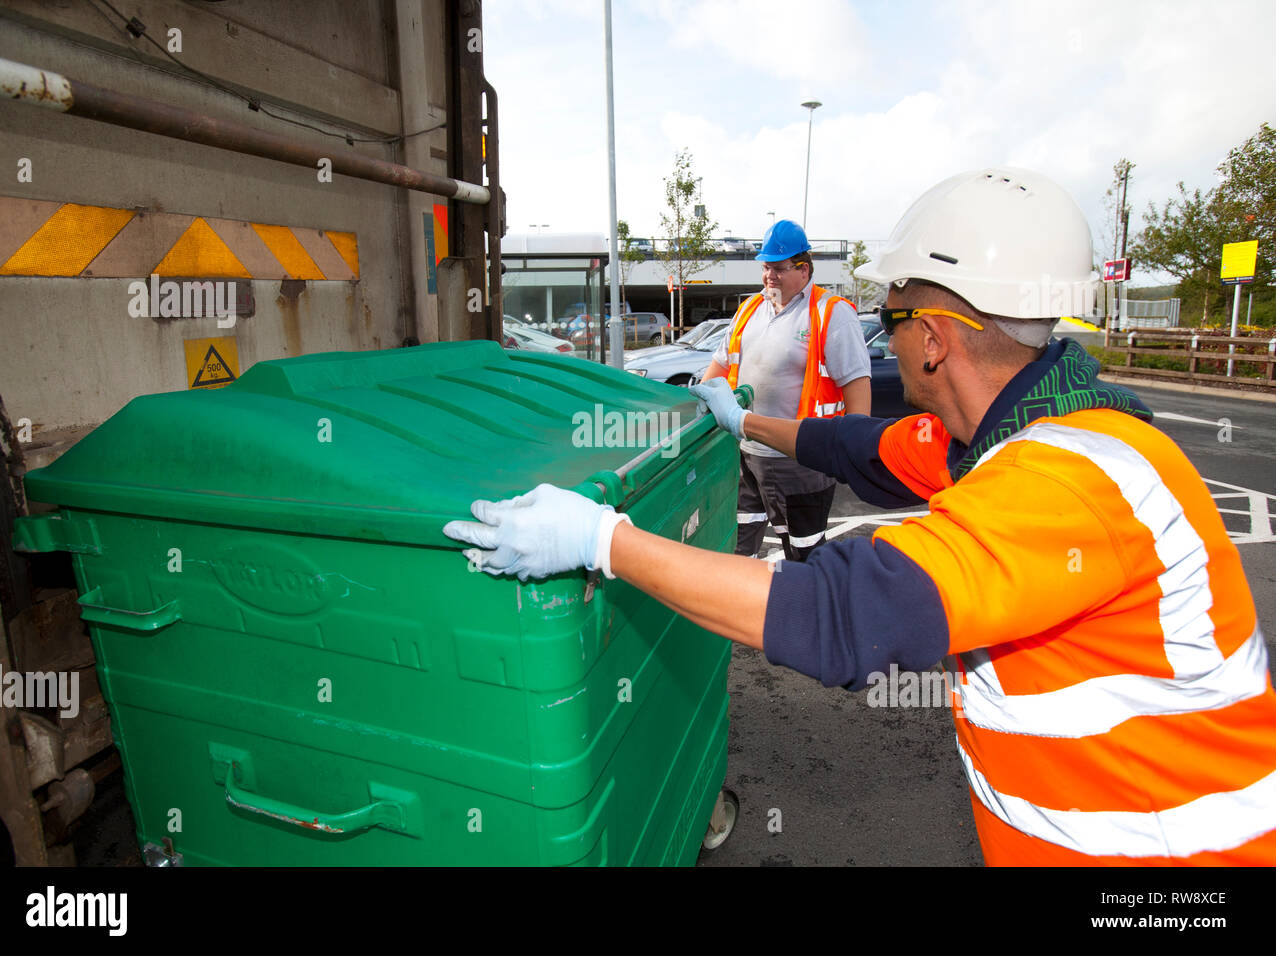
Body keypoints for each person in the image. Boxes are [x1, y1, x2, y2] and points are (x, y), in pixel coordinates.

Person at [444, 167, 1276, 865]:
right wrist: (749, 424)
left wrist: (602, 541)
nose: (885, 326)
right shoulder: (1013, 430)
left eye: (895, 312)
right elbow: (864, 449)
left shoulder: (1065, 482)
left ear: (935, 340)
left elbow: (841, 616)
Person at [700, 220, 871, 561]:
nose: (769, 277)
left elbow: (857, 383)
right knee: (739, 545)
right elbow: (720, 365)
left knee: (803, 553)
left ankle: (802, 611)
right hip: (746, 454)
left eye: (778, 269)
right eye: (765, 268)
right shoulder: (750, 310)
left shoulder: (830, 313)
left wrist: (853, 449)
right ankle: (743, 609)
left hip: (800, 460)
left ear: (803, 269)